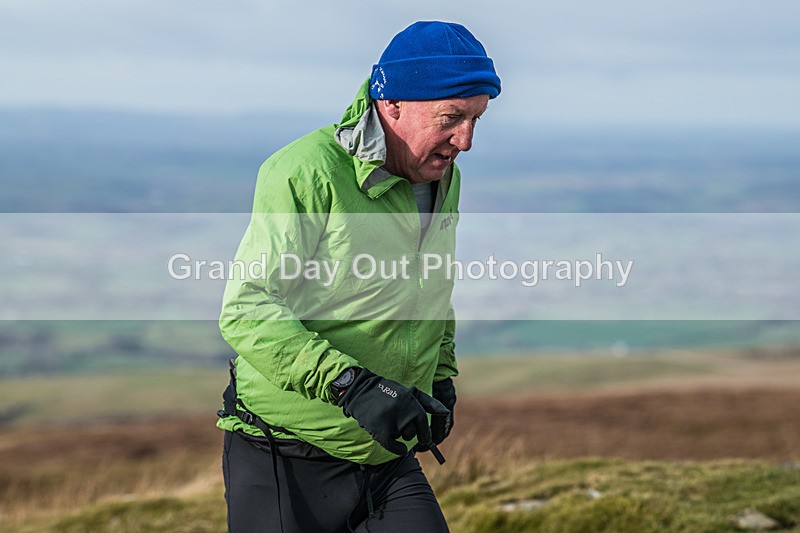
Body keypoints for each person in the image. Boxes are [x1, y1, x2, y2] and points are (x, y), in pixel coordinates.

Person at [217, 20, 501, 533]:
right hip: (284, 454)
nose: (466, 141)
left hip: (385, 456)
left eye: (476, 119)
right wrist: (351, 385)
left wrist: (439, 374)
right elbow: (247, 309)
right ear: (392, 104)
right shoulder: (307, 171)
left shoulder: (441, 177)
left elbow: (429, 284)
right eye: (452, 118)